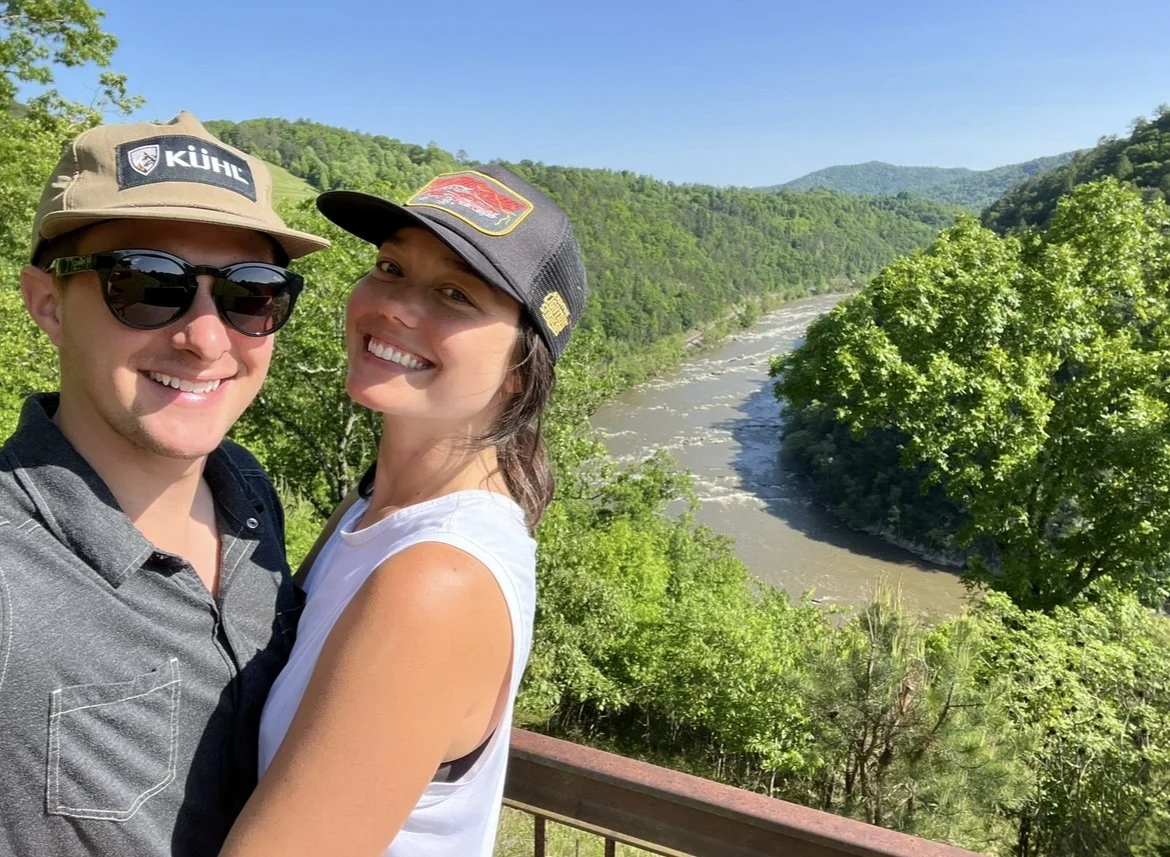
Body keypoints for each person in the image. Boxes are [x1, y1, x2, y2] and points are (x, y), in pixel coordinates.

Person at [218, 165, 587, 857]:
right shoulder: (371, 510)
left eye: (453, 292)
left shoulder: (436, 581)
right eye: (390, 266)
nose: (393, 305)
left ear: (519, 366)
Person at [0, 112, 329, 857]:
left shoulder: (248, 495)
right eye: (148, 284)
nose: (208, 337)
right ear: (48, 302)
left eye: (252, 294)